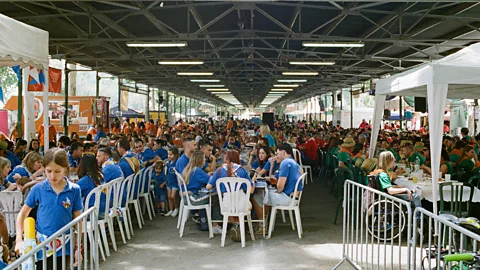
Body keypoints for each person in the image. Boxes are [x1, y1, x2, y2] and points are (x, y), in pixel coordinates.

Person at [15, 148, 83, 268]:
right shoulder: (38, 189)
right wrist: (19, 240)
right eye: (48, 171)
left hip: (65, 245)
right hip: (42, 244)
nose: (52, 176)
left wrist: (78, 247)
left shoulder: (74, 190)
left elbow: (78, 220)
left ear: (65, 169)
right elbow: (23, 214)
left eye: (57, 171)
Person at [207, 150, 252, 238]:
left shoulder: (219, 171)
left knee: (230, 209)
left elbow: (208, 186)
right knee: (248, 206)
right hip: (241, 204)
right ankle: (239, 225)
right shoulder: (242, 170)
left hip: (226, 204)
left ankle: (236, 225)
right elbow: (250, 189)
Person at [181, 151, 212, 231]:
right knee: (214, 197)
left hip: (187, 197)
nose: (205, 160)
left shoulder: (190, 169)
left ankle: (202, 220)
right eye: (204, 158)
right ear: (200, 160)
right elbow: (210, 181)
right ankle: (211, 224)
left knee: (206, 195)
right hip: (193, 198)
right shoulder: (198, 171)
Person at [77, 153, 107, 219]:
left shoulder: (85, 180)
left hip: (92, 212)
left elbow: (74, 194)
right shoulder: (101, 175)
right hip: (105, 208)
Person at [165, 147, 179, 217]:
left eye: (171, 154)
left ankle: (176, 208)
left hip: (175, 182)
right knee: (169, 196)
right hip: (169, 181)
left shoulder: (177, 163)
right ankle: (171, 209)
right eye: (168, 154)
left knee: (173, 196)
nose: (169, 156)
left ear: (175, 155)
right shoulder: (168, 163)